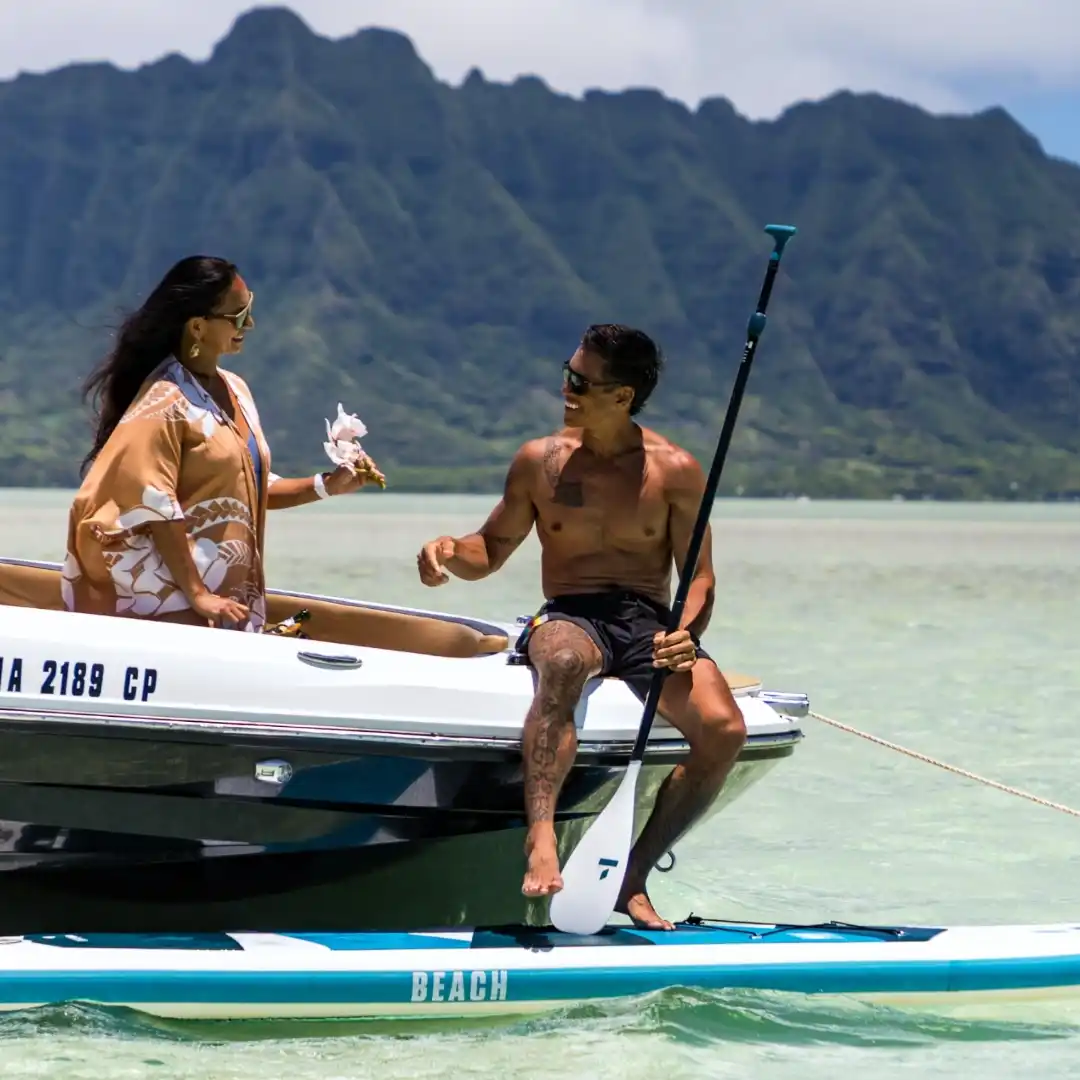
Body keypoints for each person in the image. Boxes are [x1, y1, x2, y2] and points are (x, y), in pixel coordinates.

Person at [416, 323, 746, 930]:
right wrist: (445, 550)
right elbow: (489, 548)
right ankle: (540, 837)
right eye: (568, 373)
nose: (565, 388)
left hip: (649, 621)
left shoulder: (674, 471)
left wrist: (687, 631)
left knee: (725, 730)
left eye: (580, 381)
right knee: (563, 664)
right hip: (570, 614)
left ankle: (632, 877)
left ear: (622, 396)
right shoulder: (540, 462)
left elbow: (700, 576)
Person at [63, 255, 384, 632]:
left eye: (250, 308)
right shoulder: (164, 402)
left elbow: (245, 489)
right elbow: (155, 503)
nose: (249, 323)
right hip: (175, 614)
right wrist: (197, 594)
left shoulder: (236, 390)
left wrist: (326, 486)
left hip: (228, 606)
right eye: (237, 315)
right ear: (198, 328)